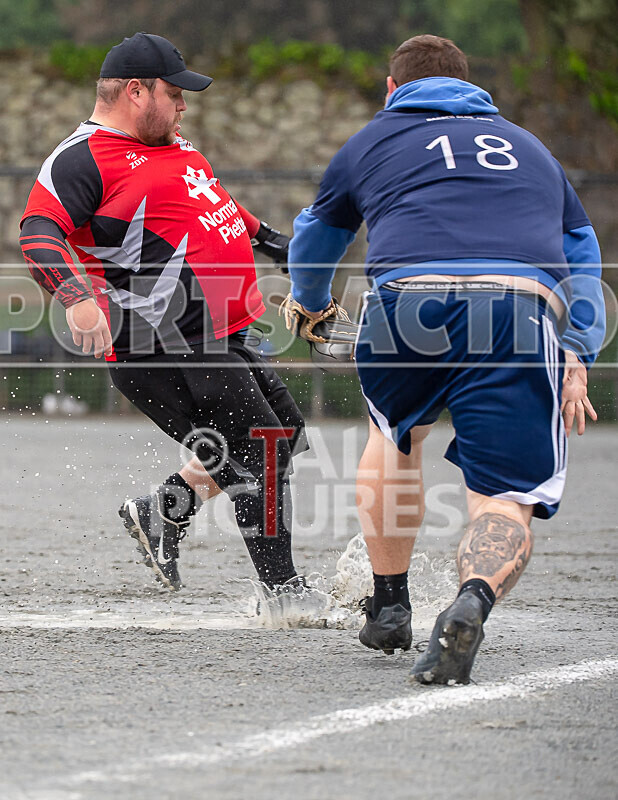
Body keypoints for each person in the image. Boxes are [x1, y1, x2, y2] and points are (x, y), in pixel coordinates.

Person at [287, 34, 605, 683]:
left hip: (405, 303)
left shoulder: (372, 140)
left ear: (392, 89)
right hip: (515, 310)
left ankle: (388, 606)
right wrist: (579, 346)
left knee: (393, 435)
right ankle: (472, 601)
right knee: (503, 498)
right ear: (472, 85)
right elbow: (582, 248)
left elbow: (317, 236)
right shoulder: (529, 148)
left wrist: (311, 304)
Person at [20, 32, 308, 596]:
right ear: (135, 92)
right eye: (174, 94)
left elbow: (210, 197)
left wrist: (274, 242)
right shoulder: (82, 158)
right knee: (259, 453)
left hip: (220, 333)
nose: (183, 105)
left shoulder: (169, 142)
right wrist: (76, 297)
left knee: (285, 435)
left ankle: (161, 514)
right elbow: (38, 232)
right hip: (160, 341)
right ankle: (285, 594)